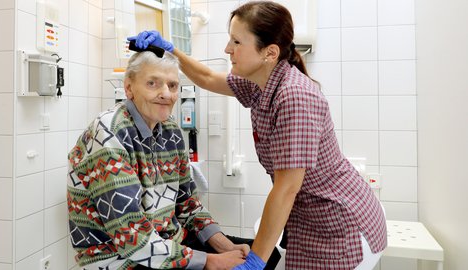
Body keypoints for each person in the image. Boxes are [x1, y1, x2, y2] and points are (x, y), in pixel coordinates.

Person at [128, 1, 387, 269]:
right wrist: (172, 50)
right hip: (312, 218)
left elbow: (286, 189)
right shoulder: (260, 84)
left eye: (237, 42)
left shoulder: (295, 96)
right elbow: (205, 77)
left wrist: (256, 261)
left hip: (340, 224)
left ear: (269, 53)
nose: (228, 49)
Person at [67, 50, 252, 269]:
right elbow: (130, 236)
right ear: (129, 88)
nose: (166, 94)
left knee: (260, 258)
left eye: (172, 86)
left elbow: (187, 203)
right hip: (119, 259)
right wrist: (210, 261)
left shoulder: (170, 129)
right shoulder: (109, 134)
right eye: (153, 83)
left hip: (166, 243)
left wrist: (223, 245)